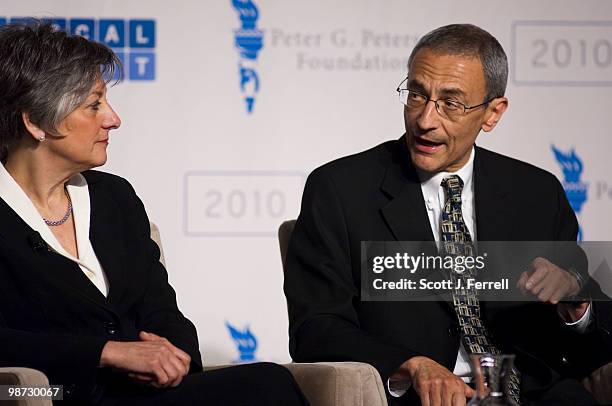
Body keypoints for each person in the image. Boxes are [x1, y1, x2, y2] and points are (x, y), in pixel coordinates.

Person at [284, 24, 612, 406]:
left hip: (531, 393)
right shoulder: (340, 190)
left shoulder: (537, 193)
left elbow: (587, 340)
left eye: (450, 103)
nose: (425, 120)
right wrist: (411, 365)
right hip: (417, 398)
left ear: (492, 113)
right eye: (417, 95)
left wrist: (577, 306)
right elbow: (315, 328)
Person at [0, 22, 309, 406]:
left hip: (140, 395)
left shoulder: (115, 198)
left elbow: (164, 314)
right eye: (94, 105)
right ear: (34, 121)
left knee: (267, 383)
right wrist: (106, 353)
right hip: (52, 394)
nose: (113, 119)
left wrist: (172, 357)